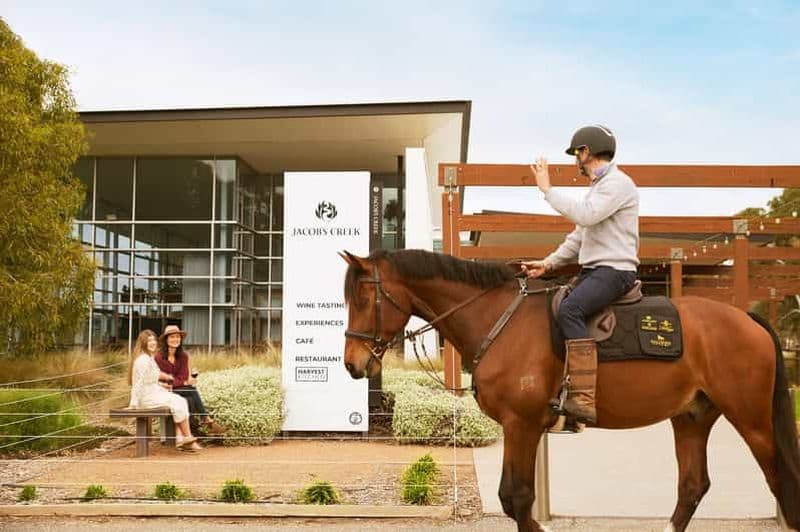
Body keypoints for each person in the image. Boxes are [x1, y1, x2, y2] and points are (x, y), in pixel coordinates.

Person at [522, 124, 639, 424]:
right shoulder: (599, 189)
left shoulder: (618, 184)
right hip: (596, 270)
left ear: (585, 152)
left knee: (571, 308)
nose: (575, 160)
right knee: (557, 303)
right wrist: (547, 264)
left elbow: (585, 216)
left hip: (614, 270)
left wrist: (547, 190)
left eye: (576, 153)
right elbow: (579, 237)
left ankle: (583, 398)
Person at [127, 329, 202, 452]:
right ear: (143, 342)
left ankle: (184, 438)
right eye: (149, 340)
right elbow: (139, 383)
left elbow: (150, 379)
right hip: (146, 397)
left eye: (154, 340)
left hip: (154, 392)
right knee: (177, 401)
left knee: (181, 400)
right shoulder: (142, 360)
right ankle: (186, 437)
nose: (152, 343)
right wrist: (133, 404)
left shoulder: (149, 358)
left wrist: (162, 385)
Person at [155, 325, 225, 436]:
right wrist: (182, 383)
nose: (175, 339)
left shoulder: (183, 356)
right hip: (163, 391)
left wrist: (180, 382)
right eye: (172, 337)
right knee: (192, 390)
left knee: (189, 400)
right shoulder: (158, 357)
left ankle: (192, 433)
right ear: (166, 340)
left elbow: (183, 376)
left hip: (178, 389)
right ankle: (205, 419)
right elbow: (159, 379)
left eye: (177, 337)